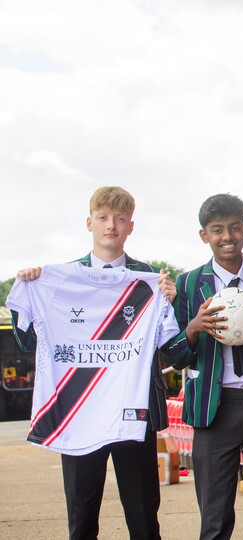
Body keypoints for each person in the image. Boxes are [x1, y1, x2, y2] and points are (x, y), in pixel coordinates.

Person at [10, 186, 176, 540]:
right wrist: (26, 291)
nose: (110, 226)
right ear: (90, 223)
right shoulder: (60, 278)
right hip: (79, 411)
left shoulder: (151, 278)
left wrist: (170, 301)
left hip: (134, 411)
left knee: (144, 516)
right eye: (102, 218)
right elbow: (27, 341)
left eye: (119, 219)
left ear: (131, 225)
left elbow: (172, 345)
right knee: (82, 518)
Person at [164, 194, 243, 539]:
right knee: (215, 519)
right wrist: (193, 327)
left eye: (234, 228)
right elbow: (174, 356)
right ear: (204, 235)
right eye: (217, 230)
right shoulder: (189, 282)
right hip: (213, 408)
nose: (227, 236)